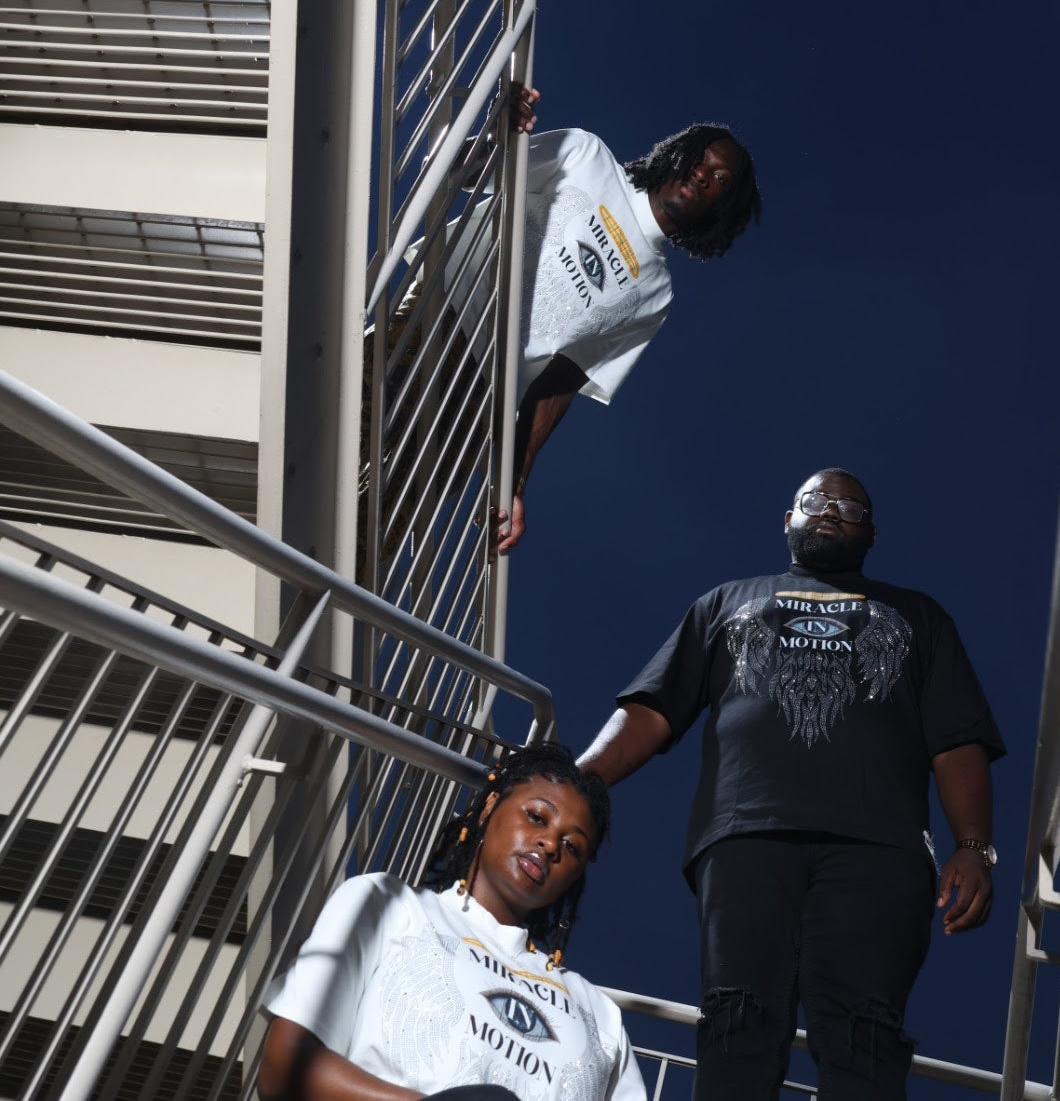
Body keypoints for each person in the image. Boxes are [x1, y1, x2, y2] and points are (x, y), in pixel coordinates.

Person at [577, 467, 1005, 1101]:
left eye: (850, 507)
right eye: (816, 501)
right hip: (745, 834)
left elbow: (957, 739)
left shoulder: (920, 617)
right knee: (737, 1019)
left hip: (880, 849)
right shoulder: (726, 602)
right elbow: (654, 708)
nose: (831, 510)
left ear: (872, 534)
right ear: (788, 520)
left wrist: (973, 846)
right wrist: (573, 780)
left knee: (865, 1035)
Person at [257, 743, 645, 1101]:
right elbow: (284, 1068)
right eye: (536, 817)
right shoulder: (389, 905)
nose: (549, 844)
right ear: (490, 806)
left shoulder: (598, 1012)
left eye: (572, 846)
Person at [489, 85, 761, 551]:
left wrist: (515, 483)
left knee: (377, 517)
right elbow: (476, 172)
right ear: (675, 153)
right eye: (699, 158)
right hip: (434, 319)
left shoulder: (655, 293)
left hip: (480, 397)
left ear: (722, 206)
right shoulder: (587, 155)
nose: (702, 174)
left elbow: (559, 383)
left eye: (719, 178)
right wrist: (500, 129)